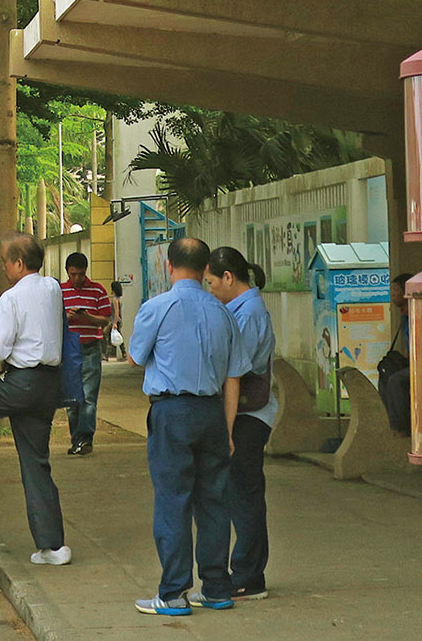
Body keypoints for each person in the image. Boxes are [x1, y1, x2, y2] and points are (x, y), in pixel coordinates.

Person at [127, 235, 251, 615]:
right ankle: (215, 587)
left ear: (169, 264)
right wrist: (228, 429)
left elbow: (134, 356)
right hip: (212, 413)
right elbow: (234, 376)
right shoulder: (223, 313)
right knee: (213, 501)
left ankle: (173, 592)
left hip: (171, 412)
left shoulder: (157, 307)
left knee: (172, 500)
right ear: (206, 270)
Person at [0, 233, 71, 565]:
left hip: (20, 383)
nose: (3, 266)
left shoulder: (10, 299)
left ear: (19, 264)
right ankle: (52, 547)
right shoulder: (52, 289)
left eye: (5, 260)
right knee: (36, 462)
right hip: (49, 384)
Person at [206, 247, 275, 601]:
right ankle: (248, 570)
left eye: (211, 282)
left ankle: (248, 574)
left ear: (228, 278)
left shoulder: (247, 314)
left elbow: (236, 368)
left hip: (247, 415)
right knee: (241, 494)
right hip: (244, 415)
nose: (210, 289)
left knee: (244, 495)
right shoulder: (241, 310)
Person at [59, 252, 114, 455]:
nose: (77, 279)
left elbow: (105, 320)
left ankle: (86, 438)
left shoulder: (97, 290)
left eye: (81, 274)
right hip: (69, 348)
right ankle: (76, 439)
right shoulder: (61, 291)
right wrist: (67, 316)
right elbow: (52, 319)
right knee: (72, 399)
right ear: (67, 272)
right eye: (73, 274)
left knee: (89, 396)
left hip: (91, 347)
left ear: (86, 272)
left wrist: (88, 316)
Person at [379, 273, 415, 434]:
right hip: (411, 361)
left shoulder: (417, 314)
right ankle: (390, 420)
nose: (392, 296)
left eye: (395, 291)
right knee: (385, 371)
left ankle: (402, 425)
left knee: (396, 380)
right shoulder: (404, 316)